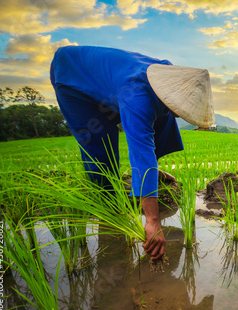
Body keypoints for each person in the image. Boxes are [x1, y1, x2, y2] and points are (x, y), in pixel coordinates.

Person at [50, 45, 214, 260]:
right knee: (98, 139)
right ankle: (107, 205)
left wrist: (153, 172)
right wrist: (153, 221)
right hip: (71, 77)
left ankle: (148, 176)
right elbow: (140, 150)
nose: (181, 114)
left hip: (112, 82)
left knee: (164, 117)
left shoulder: (171, 76)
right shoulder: (138, 95)